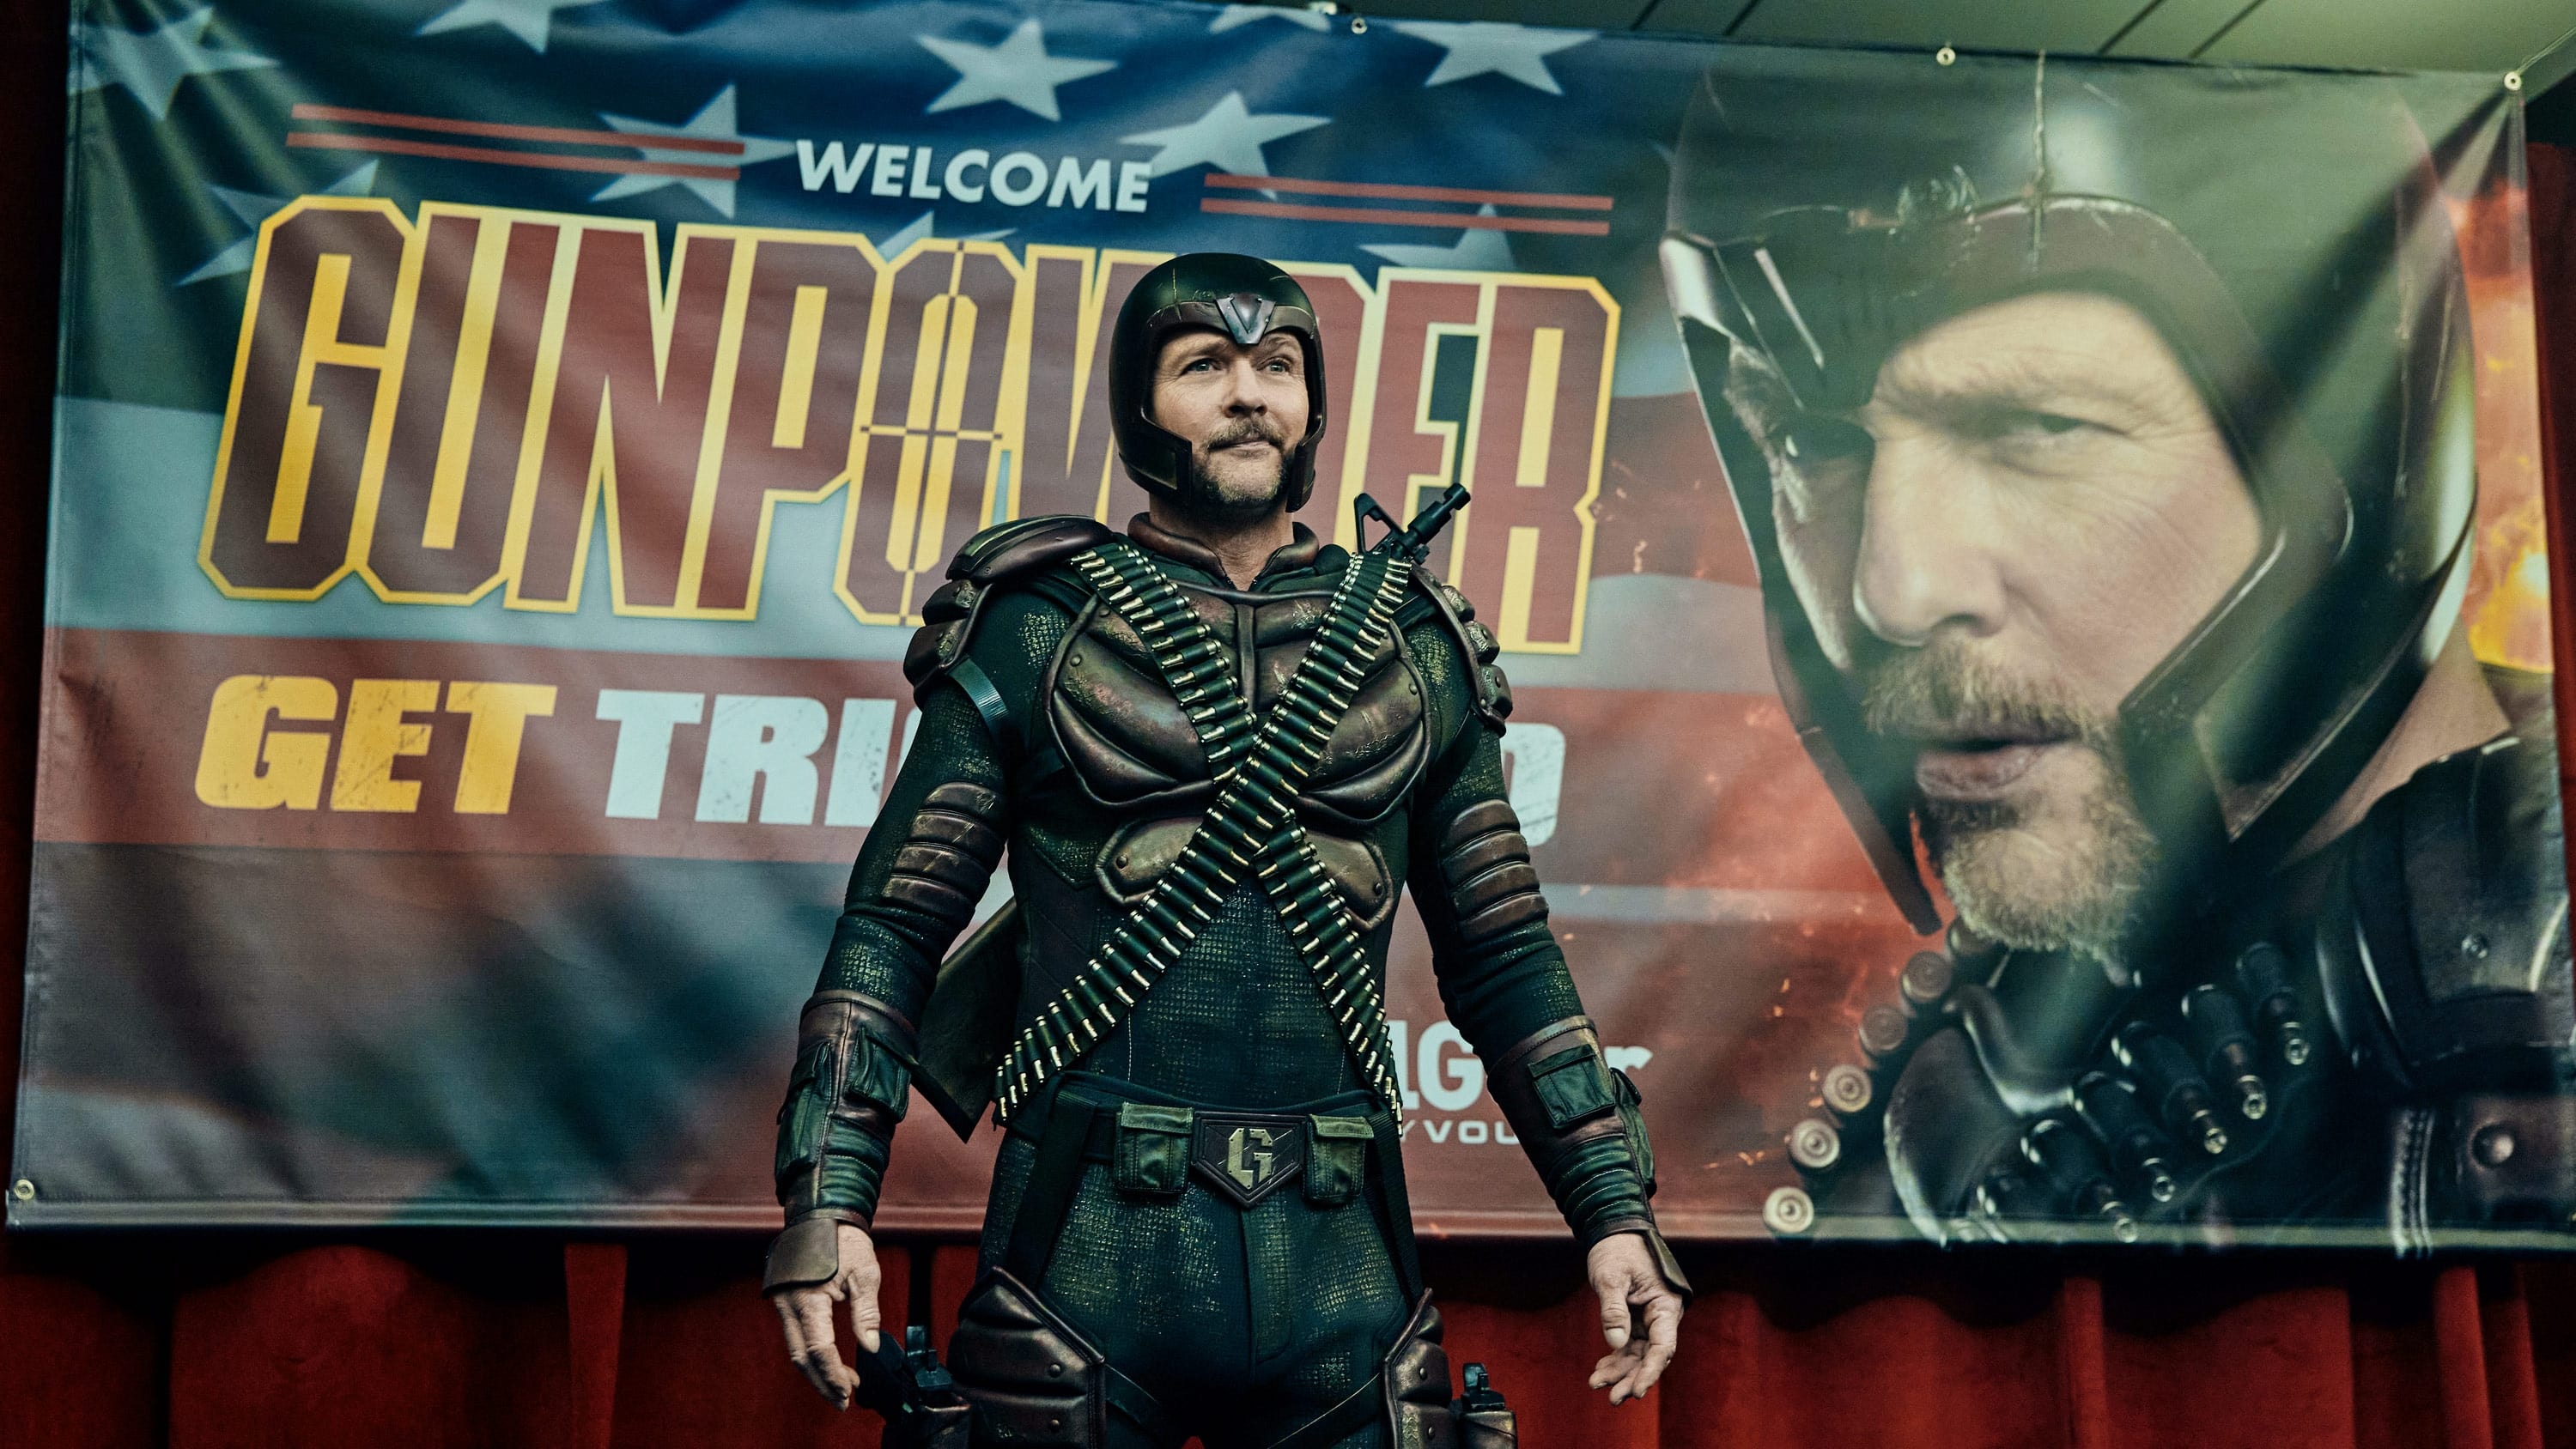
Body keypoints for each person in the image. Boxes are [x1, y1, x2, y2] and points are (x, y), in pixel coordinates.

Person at [760, 252, 1688, 1446]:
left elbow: (1506, 956)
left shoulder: (1415, 643)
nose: (1250, 393)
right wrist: (829, 1199)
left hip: (1342, 1252)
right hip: (1085, 1238)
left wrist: (1613, 1208)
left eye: (1278, 365)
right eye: (1204, 365)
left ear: (1313, 402)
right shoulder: (1033, 624)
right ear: (1139, 404)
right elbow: (893, 926)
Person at [1661, 56, 2573, 1247]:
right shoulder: (1971, 1092)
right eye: (1809, 443)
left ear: (2354, 452)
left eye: (2036, 424)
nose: (1892, 592)